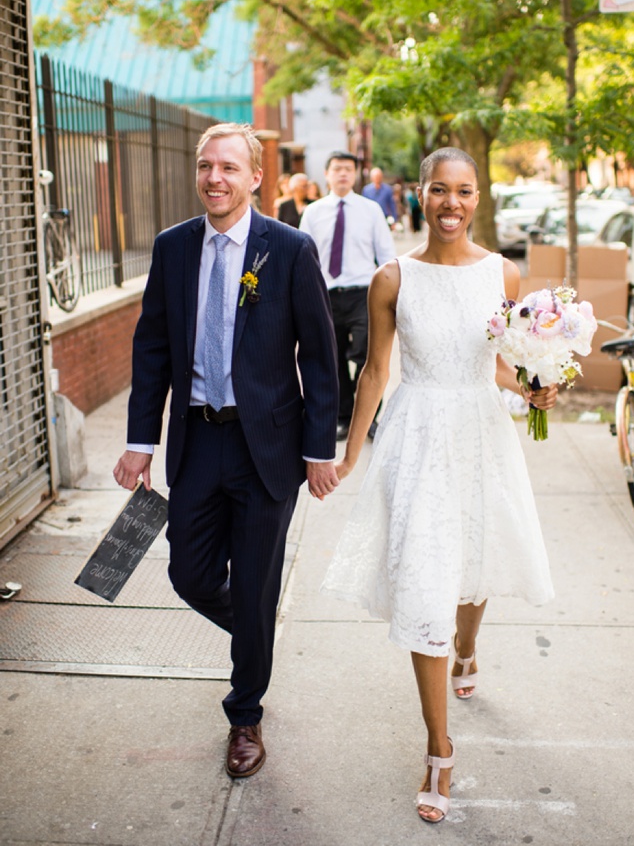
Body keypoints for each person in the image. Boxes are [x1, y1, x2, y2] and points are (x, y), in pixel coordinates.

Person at [322, 146, 556, 823]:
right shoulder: (392, 279)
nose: (451, 202)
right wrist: (349, 456)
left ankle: (469, 645)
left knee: (472, 574)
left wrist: (536, 388)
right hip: (418, 436)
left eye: (464, 190)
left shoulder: (502, 274)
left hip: (482, 434)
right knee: (426, 579)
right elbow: (373, 373)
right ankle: (439, 746)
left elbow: (505, 363)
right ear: (418, 195)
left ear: (476, 197)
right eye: (439, 190)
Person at [113, 123, 339, 780]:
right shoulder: (173, 247)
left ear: (255, 177)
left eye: (229, 168)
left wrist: (319, 446)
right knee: (189, 572)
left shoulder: (289, 250)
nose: (215, 177)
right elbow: (152, 345)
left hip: (267, 442)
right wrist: (139, 441)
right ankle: (256, 631)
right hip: (197, 437)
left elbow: (321, 359)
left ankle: (245, 712)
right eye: (206, 165)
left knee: (258, 573)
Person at [299, 150, 395, 441]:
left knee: (369, 357)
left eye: (348, 170)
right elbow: (304, 256)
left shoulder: (371, 210)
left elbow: (387, 256)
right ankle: (344, 417)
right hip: (325, 295)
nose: (343, 174)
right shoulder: (313, 212)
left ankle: (369, 418)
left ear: (355, 175)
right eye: (337, 169)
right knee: (334, 358)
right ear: (326, 175)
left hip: (364, 295)